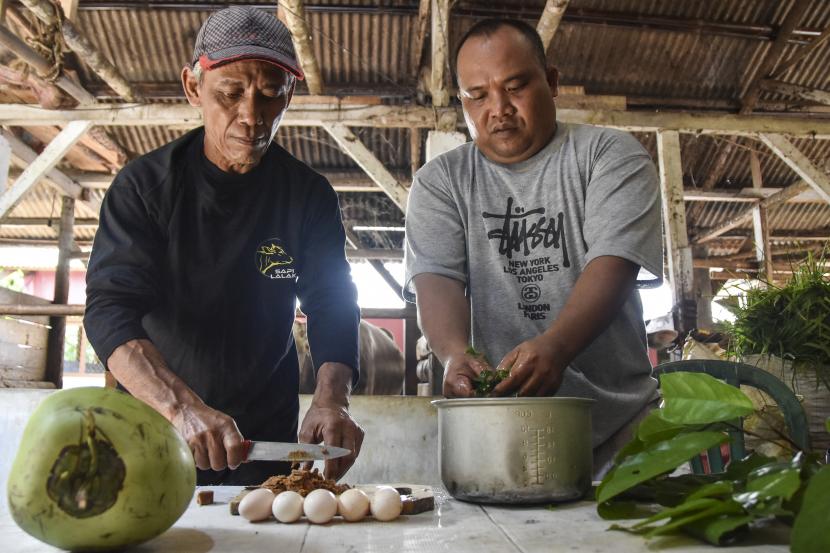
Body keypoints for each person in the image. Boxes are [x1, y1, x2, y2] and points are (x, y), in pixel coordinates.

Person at [84, 6, 363, 485]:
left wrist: (331, 398)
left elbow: (332, 302)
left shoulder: (307, 195)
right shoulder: (145, 188)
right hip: (157, 428)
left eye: (270, 95)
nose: (251, 117)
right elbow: (110, 311)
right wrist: (182, 408)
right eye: (230, 94)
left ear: (290, 94)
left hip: (264, 435)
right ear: (194, 87)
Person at [404, 18, 663, 475]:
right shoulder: (440, 182)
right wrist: (452, 353)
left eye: (516, 86)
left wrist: (558, 346)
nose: (498, 108)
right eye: (477, 95)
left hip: (624, 429)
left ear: (553, 81)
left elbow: (614, 262)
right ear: (461, 101)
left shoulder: (610, 155)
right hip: (501, 437)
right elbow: (436, 278)